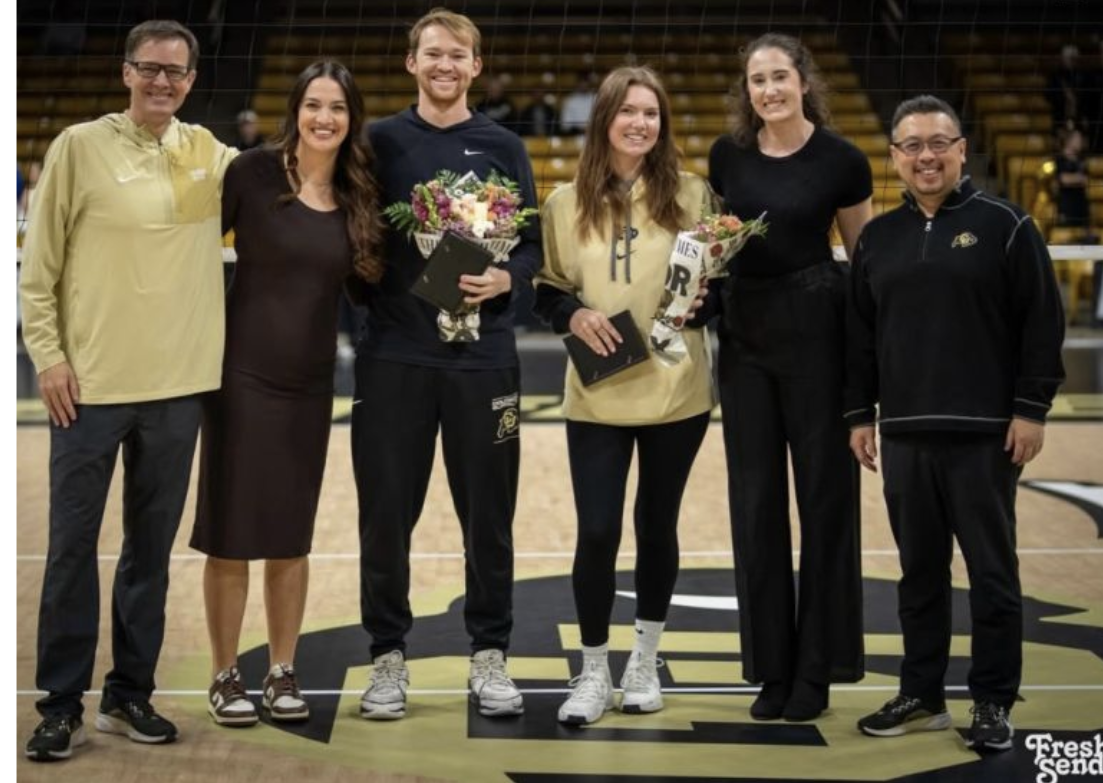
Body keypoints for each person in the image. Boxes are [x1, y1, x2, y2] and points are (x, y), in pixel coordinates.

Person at [19, 20, 234, 762]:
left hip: (178, 390)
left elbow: (294, 180)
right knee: (73, 548)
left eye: (175, 72)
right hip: (89, 386)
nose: (161, 81)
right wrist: (47, 356)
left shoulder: (209, 153)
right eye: (149, 68)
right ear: (125, 72)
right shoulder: (79, 147)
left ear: (192, 80)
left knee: (150, 551)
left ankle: (128, 694)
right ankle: (58, 705)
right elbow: (37, 265)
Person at [848, 94, 1065, 752]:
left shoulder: (1006, 225)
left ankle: (993, 699)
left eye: (937, 142)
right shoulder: (878, 238)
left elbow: (1041, 322)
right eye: (910, 145)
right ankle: (922, 692)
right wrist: (859, 414)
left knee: (992, 575)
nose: (925, 156)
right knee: (918, 573)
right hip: (906, 433)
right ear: (893, 157)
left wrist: (1030, 407)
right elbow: (859, 335)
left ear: (961, 149)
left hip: (983, 434)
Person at [352, 7, 541, 721]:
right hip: (394, 358)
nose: (444, 66)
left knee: (488, 519)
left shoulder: (501, 145)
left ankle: (489, 656)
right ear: (411, 63)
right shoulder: (375, 142)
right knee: (385, 517)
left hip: (483, 361)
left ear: (475, 66)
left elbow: (529, 244)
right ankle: (386, 660)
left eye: (457, 55)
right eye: (432, 54)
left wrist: (506, 279)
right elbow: (352, 229)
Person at [190, 60, 382, 727]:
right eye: (313, 105)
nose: (324, 118)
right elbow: (185, 254)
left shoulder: (360, 194)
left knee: (289, 535)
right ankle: (223, 673)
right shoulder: (250, 173)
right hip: (239, 377)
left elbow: (372, 286)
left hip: (309, 384)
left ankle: (280, 670)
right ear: (294, 110)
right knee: (231, 531)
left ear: (351, 118)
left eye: (337, 108)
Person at [535, 65, 715, 726]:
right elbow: (547, 287)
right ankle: (591, 672)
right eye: (628, 111)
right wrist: (570, 316)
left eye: (651, 113)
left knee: (655, 525)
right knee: (599, 529)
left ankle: (643, 660)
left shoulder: (694, 194)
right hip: (596, 390)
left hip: (676, 390)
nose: (640, 123)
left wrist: (705, 302)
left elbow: (717, 282)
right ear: (604, 117)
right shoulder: (564, 202)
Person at [705, 32, 872, 722]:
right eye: (755, 80)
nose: (767, 89)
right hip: (744, 339)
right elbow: (715, 243)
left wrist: (867, 384)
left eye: (778, 76)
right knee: (755, 506)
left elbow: (864, 268)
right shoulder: (727, 155)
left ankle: (817, 670)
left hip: (818, 336)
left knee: (825, 505)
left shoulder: (842, 159)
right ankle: (771, 669)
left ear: (803, 81)